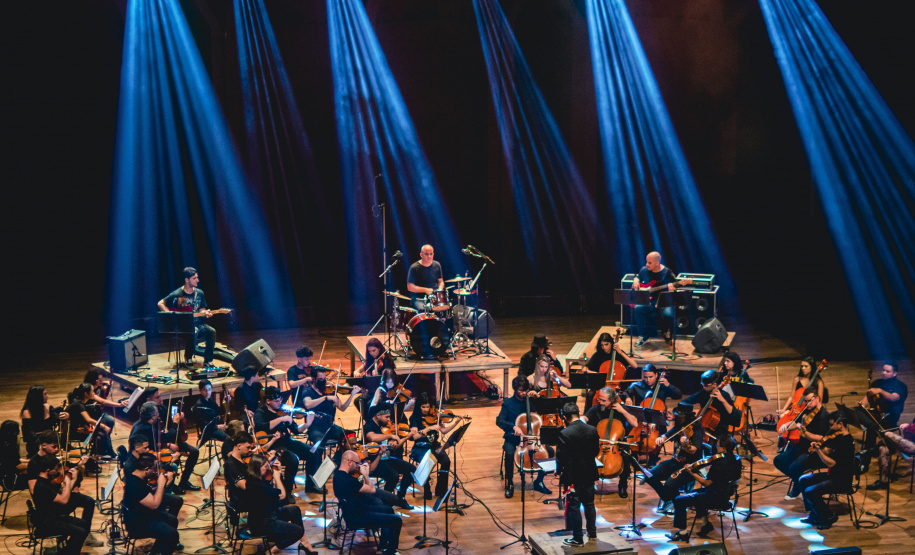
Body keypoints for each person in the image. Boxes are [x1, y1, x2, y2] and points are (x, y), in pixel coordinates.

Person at [666, 434, 742, 541]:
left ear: (723, 448)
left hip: (715, 498)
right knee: (696, 492)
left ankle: (682, 533)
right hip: (725, 496)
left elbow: (706, 483)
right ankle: (706, 524)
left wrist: (691, 472)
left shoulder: (719, 464)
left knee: (679, 500)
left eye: (718, 445)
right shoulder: (736, 459)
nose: (716, 446)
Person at [243, 453, 318, 554]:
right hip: (262, 523)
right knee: (298, 531)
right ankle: (270, 552)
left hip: (269, 514)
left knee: (295, 510)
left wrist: (277, 475)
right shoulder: (258, 486)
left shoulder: (255, 479)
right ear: (258, 467)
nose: (268, 468)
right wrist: (277, 477)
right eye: (265, 466)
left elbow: (276, 492)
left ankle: (305, 543)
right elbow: (282, 496)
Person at [334, 450, 404, 555]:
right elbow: (372, 490)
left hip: (355, 511)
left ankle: (384, 545)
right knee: (397, 520)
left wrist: (362, 476)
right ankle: (390, 551)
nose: (358, 466)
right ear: (349, 462)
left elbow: (359, 488)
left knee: (388, 509)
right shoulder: (348, 481)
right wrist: (366, 475)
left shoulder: (338, 476)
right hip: (358, 517)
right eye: (357, 463)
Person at [254, 386, 319, 500]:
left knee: (313, 452)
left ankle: (311, 485)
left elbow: (296, 430)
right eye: (276, 401)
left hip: (287, 442)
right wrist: (280, 420)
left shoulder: (284, 411)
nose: (280, 403)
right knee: (293, 460)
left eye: (280, 400)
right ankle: (287, 491)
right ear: (268, 401)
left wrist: (307, 425)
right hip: (273, 445)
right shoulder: (260, 412)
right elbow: (260, 426)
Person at [495, 376, 553, 497]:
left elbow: (547, 408)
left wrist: (538, 397)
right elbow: (499, 421)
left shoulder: (531, 400)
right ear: (515, 390)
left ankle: (539, 481)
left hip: (533, 438)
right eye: (520, 391)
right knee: (510, 453)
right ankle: (509, 483)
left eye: (525, 390)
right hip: (514, 437)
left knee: (550, 451)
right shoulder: (508, 403)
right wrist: (513, 426)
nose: (523, 393)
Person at [643, 403, 705, 514]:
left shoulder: (696, 430)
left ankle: (676, 503)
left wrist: (686, 445)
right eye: (678, 416)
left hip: (688, 467)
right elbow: (666, 436)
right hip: (674, 462)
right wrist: (660, 438)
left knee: (669, 484)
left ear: (688, 416)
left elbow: (694, 450)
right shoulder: (679, 427)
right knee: (649, 475)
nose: (679, 418)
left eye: (681, 416)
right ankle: (670, 500)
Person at [798, 411, 856, 530]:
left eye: (831, 425)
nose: (829, 428)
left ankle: (827, 516)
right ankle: (815, 513)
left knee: (810, 491)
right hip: (833, 475)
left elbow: (832, 463)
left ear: (840, 424)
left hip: (841, 480)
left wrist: (819, 452)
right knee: (803, 479)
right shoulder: (839, 437)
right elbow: (830, 450)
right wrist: (818, 448)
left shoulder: (847, 442)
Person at [301, 366, 361, 476]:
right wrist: (324, 398)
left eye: (324, 378)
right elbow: (307, 404)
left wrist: (352, 394)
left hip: (330, 427)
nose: (323, 381)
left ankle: (336, 464)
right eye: (320, 379)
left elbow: (342, 407)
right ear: (313, 379)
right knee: (318, 446)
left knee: (350, 436)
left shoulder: (330, 390)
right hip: (316, 428)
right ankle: (317, 475)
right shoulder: (307, 392)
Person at [773, 387, 831, 500]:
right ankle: (800, 482)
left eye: (809, 400)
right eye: (805, 401)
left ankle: (798, 487)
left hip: (813, 451)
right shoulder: (807, 410)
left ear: (817, 398)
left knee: (794, 467)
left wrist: (802, 430)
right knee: (778, 461)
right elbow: (796, 421)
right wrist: (787, 424)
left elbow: (820, 438)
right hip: (801, 446)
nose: (807, 404)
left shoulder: (824, 416)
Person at [581, 387, 638, 497]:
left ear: (612, 400)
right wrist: (581, 421)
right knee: (587, 455)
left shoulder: (621, 409)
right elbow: (584, 418)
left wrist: (623, 411)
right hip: (599, 442)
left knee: (625, 458)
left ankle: (622, 485)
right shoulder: (596, 408)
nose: (601, 402)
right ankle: (590, 484)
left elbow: (635, 423)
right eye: (599, 400)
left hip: (617, 444)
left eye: (604, 400)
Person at [121, 452, 182, 555]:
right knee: (172, 534)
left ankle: (156, 551)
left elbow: (148, 494)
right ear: (146, 469)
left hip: (143, 514)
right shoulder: (135, 485)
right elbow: (154, 505)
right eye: (153, 468)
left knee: (172, 520)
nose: (155, 471)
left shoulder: (137, 477)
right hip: (138, 523)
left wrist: (165, 484)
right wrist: (161, 484)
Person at [30, 454, 92, 555]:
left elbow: (64, 494)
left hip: (53, 517)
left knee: (84, 524)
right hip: (47, 523)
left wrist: (72, 480)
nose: (57, 471)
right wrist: (68, 482)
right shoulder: (43, 486)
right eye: (55, 468)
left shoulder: (46, 481)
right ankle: (70, 552)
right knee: (80, 532)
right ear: (48, 469)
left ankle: (67, 551)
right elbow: (63, 500)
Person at [557, 402, 599, 547]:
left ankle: (577, 538)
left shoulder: (564, 433)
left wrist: (559, 469)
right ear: (578, 413)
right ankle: (592, 534)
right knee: (589, 503)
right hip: (589, 472)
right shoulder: (592, 429)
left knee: (574, 505)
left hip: (573, 475)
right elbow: (595, 452)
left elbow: (561, 457)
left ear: (564, 417)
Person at [858, 361, 908, 482]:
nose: (884, 373)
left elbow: (893, 397)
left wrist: (879, 391)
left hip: (891, 417)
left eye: (887, 371)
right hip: (876, 415)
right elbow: (866, 399)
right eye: (883, 370)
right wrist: (861, 404)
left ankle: (870, 452)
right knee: (871, 426)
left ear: (895, 373)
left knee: (874, 427)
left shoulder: (901, 386)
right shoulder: (876, 383)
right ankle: (865, 461)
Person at [157, 266, 217, 367]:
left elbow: (202, 310)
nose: (197, 280)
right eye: (194, 278)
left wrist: (206, 313)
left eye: (197, 277)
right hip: (182, 327)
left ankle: (208, 360)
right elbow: (160, 303)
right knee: (192, 331)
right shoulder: (177, 293)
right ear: (187, 280)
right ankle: (188, 357)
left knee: (211, 331)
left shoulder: (199, 293)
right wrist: (170, 315)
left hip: (198, 323)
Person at [407, 392, 458, 499]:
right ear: (418, 406)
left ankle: (441, 489)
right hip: (420, 447)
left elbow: (443, 431)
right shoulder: (414, 418)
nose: (425, 409)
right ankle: (426, 489)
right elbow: (414, 437)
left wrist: (456, 423)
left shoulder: (436, 415)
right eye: (423, 407)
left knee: (446, 461)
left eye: (427, 406)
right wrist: (428, 428)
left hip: (434, 446)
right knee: (427, 460)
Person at [363, 406, 415, 501]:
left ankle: (400, 497)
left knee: (411, 469)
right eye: (386, 417)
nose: (388, 420)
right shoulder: (369, 426)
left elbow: (395, 445)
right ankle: (385, 500)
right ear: (378, 415)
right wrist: (391, 435)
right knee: (394, 476)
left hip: (386, 458)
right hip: (374, 462)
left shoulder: (383, 427)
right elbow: (372, 438)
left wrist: (407, 437)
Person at [631, 251, 678, 345]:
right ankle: (643, 335)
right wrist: (636, 280)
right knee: (638, 309)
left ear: (657, 263)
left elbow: (676, 286)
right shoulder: (644, 270)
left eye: (649, 263)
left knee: (668, 313)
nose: (646, 264)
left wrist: (672, 288)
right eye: (646, 262)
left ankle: (666, 332)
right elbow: (637, 276)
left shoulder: (667, 273)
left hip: (663, 301)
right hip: (649, 301)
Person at [682, 369, 740, 444]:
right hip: (704, 429)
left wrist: (723, 400)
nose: (703, 387)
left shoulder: (724, 395)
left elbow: (734, 415)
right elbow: (684, 402)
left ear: (714, 385)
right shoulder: (703, 393)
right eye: (702, 384)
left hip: (720, 431)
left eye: (706, 385)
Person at [82, 369, 128, 457]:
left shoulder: (99, 387)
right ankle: (109, 451)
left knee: (110, 421)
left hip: (96, 412)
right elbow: (103, 401)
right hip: (88, 414)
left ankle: (103, 447)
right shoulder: (89, 390)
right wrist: (119, 405)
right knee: (104, 428)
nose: (102, 381)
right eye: (100, 380)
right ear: (95, 381)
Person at [65, 382, 115, 462]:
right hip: (74, 432)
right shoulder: (78, 404)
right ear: (86, 394)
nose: (94, 393)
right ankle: (92, 460)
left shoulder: (80, 403)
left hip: (78, 429)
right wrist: (103, 426)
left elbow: (82, 419)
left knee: (99, 433)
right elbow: (88, 419)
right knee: (100, 434)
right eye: (92, 391)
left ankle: (98, 456)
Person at [20, 385, 68, 457]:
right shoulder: (27, 412)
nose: (47, 396)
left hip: (51, 441)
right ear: (38, 396)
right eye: (45, 394)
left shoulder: (47, 407)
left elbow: (57, 420)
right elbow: (28, 435)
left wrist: (66, 415)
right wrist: (45, 444)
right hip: (36, 443)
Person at [407, 244, 445, 312]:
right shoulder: (414, 267)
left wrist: (438, 292)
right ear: (421, 255)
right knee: (424, 310)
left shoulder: (437, 265)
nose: (429, 256)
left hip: (434, 298)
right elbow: (410, 287)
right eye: (426, 254)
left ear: (433, 254)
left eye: (431, 254)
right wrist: (425, 290)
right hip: (419, 299)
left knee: (444, 308)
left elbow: (441, 281)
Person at [0, 421, 29, 492]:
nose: (19, 432)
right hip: (10, 480)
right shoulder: (6, 448)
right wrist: (36, 464)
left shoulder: (7, 443)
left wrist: (30, 461)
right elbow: (17, 465)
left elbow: (17, 459)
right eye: (17, 430)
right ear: (11, 432)